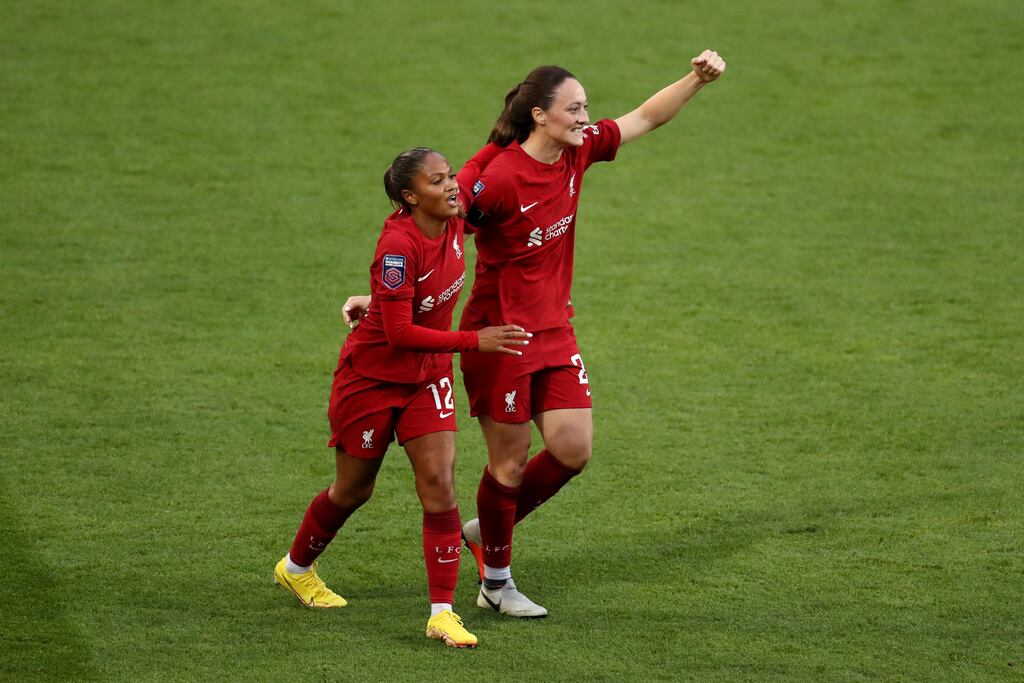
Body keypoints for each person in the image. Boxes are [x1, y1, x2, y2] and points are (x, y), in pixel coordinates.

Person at [342, 49, 727, 619]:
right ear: (540, 116)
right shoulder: (498, 179)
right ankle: (496, 583)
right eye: (574, 109)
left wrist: (696, 79)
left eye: (586, 107)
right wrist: (384, 297)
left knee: (572, 449)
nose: (584, 118)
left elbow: (645, 117)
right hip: (501, 337)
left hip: (555, 330)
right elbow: (435, 232)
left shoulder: (579, 150)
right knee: (511, 465)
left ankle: (485, 529)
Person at [274, 146, 530, 648]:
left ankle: (442, 613)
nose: (451, 186)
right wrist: (474, 340)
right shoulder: (398, 247)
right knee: (353, 490)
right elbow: (399, 334)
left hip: (428, 378)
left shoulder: (455, 215)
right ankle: (296, 568)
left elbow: (488, 154)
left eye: (450, 176)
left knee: (440, 485)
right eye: (437, 181)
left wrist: (524, 121)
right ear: (411, 197)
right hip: (371, 380)